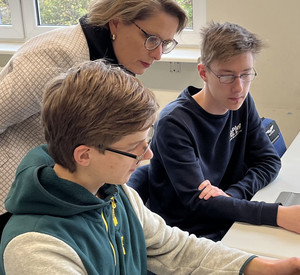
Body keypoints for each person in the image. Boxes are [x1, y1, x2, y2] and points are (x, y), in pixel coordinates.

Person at [1, 59, 300, 275]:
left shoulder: (116, 194)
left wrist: (263, 267)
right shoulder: (36, 251)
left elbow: (175, 249)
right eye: (135, 148)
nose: (148, 156)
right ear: (84, 155)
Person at [0, 0, 187, 214]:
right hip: (13, 190)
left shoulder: (114, 61)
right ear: (116, 22)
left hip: (63, 188)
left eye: (166, 43)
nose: (158, 54)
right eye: (151, 39)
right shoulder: (56, 56)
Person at [129, 21, 300, 242]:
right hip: (192, 233)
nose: (239, 87)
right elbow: (199, 203)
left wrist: (233, 194)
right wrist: (277, 215)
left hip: (230, 216)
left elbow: (269, 161)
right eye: (227, 76)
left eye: (246, 75)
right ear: (203, 72)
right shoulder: (175, 123)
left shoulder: (242, 102)